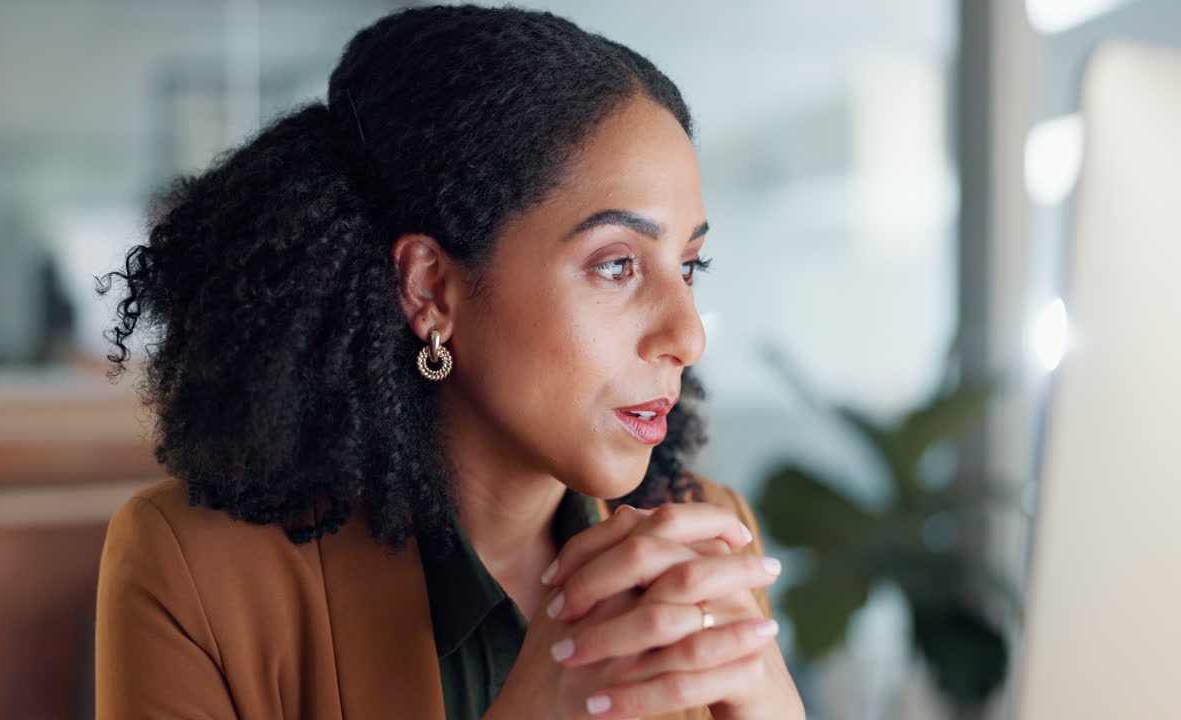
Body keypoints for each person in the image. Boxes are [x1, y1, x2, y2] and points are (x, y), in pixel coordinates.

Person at [93, 5, 804, 719]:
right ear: (431, 288)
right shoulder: (190, 572)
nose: (687, 335)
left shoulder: (702, 540)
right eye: (616, 265)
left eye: (689, 266)